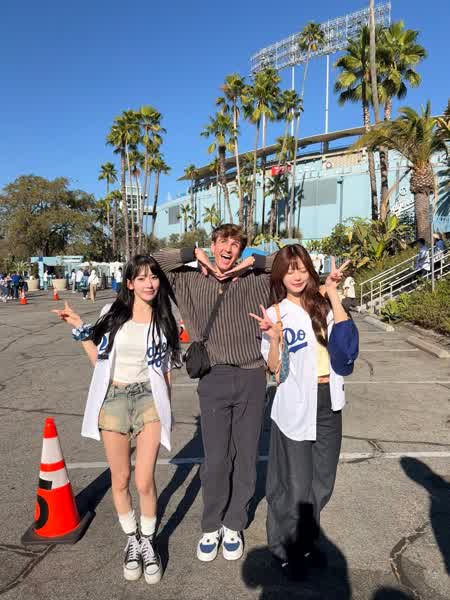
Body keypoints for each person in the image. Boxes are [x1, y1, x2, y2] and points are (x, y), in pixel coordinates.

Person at [52, 255, 180, 584]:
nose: (150, 283)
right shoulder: (112, 314)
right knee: (120, 479)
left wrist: (168, 410)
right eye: (142, 278)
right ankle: (132, 539)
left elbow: (166, 371)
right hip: (115, 399)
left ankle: (148, 541)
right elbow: (100, 360)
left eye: (154, 277)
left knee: (144, 480)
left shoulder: (165, 319)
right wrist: (78, 328)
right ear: (130, 284)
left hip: (150, 399)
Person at [153, 224, 274, 563]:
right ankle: (211, 525)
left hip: (252, 375)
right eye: (223, 242)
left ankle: (234, 523)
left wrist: (252, 263)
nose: (228, 249)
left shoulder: (258, 281)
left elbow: (293, 264)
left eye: (236, 245)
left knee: (246, 456)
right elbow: (154, 261)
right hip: (213, 377)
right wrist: (194, 255)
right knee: (217, 458)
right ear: (213, 244)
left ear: (241, 251)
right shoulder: (190, 280)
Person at [250, 244, 359, 578]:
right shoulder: (275, 313)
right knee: (295, 485)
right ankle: (286, 548)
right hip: (295, 404)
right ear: (280, 276)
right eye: (289, 270)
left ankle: (306, 541)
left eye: (301, 268)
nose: (296, 276)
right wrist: (275, 339)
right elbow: (275, 371)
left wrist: (333, 293)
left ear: (310, 271)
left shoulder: (323, 306)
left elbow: (347, 347)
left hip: (329, 400)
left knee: (323, 481)